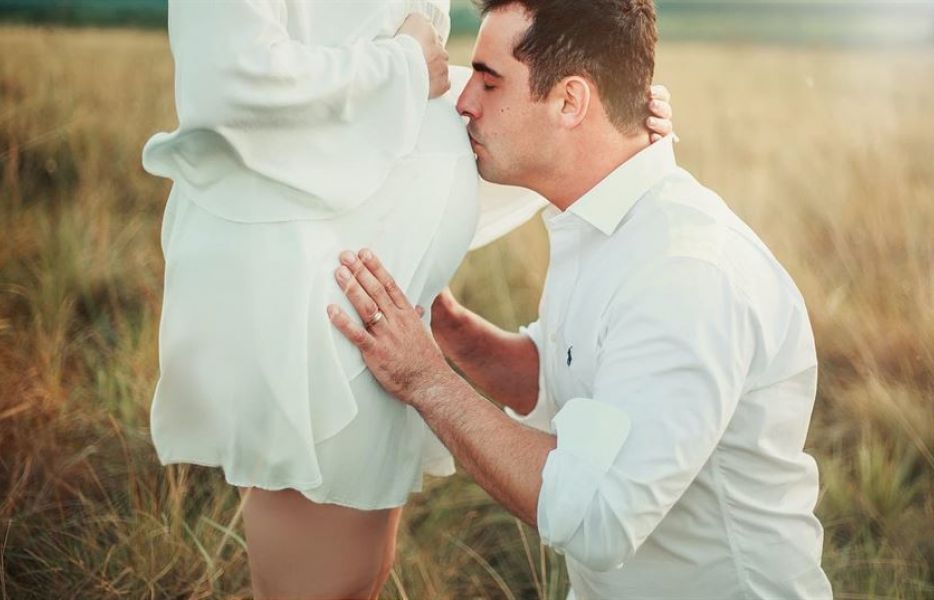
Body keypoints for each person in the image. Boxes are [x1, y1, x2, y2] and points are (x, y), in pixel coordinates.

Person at [141, 0, 674, 597]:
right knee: (321, 582)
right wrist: (402, 66)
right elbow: (226, 80)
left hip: (372, 289)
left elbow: (414, 113)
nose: (470, 99)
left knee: (356, 573)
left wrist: (612, 130)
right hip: (324, 296)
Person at [326, 0, 834, 598]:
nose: (464, 102)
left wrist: (425, 380)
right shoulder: (600, 222)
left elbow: (598, 517)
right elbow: (569, 382)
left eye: (489, 80)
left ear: (570, 101)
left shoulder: (684, 274)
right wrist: (449, 328)